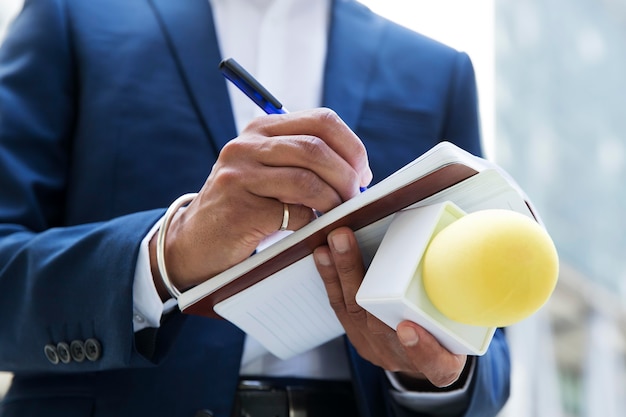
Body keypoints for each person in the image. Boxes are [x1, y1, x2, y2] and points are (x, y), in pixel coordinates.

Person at [0, 0, 510, 416]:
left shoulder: (438, 72)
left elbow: (492, 346)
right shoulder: (71, 17)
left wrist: (423, 369)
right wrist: (167, 254)